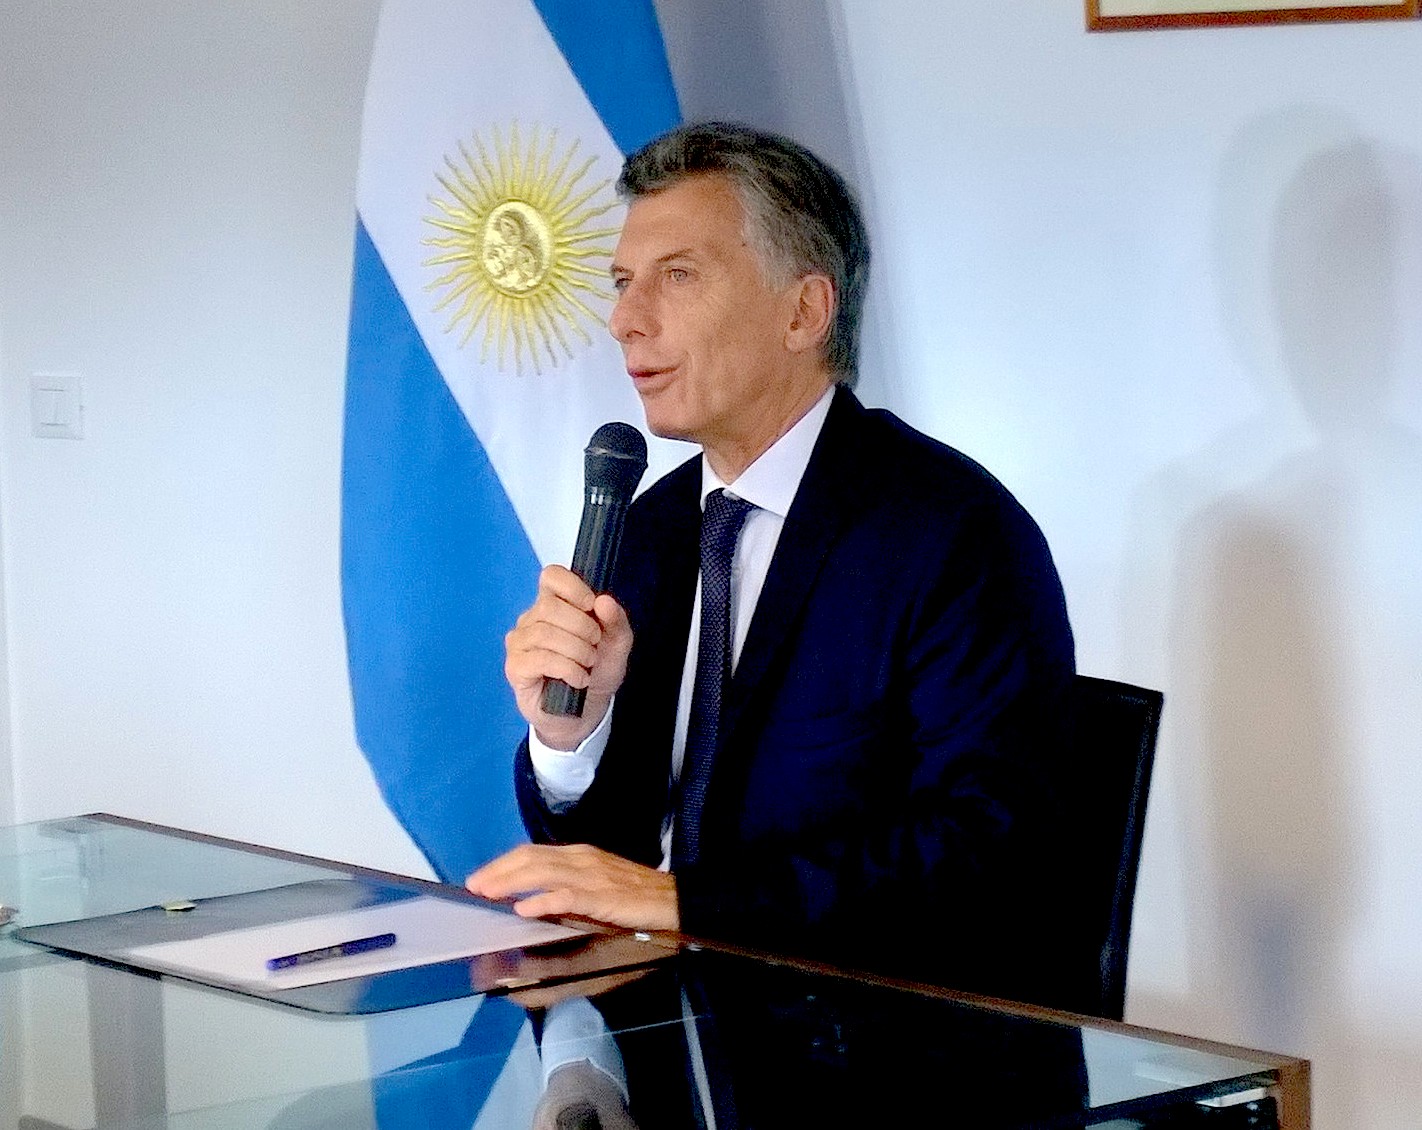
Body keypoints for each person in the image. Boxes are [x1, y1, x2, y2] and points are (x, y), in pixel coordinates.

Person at [469, 122, 1085, 1008]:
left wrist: (690, 904)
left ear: (804, 312)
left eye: (678, 275)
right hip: (672, 1028)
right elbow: (609, 870)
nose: (625, 320)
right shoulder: (653, 527)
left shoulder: (951, 533)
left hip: (882, 1040)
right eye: (622, 282)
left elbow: (989, 850)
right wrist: (572, 737)